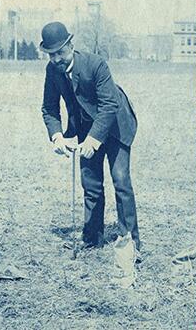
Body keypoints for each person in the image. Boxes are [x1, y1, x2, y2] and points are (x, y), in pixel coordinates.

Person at [40, 21, 140, 254]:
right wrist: (57, 136)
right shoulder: (52, 70)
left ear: (71, 45)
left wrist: (94, 140)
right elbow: (49, 107)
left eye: (60, 53)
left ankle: (131, 243)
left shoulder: (96, 64)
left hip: (116, 124)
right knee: (91, 183)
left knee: (121, 181)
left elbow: (109, 105)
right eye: (50, 55)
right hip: (86, 126)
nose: (56, 59)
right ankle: (93, 238)